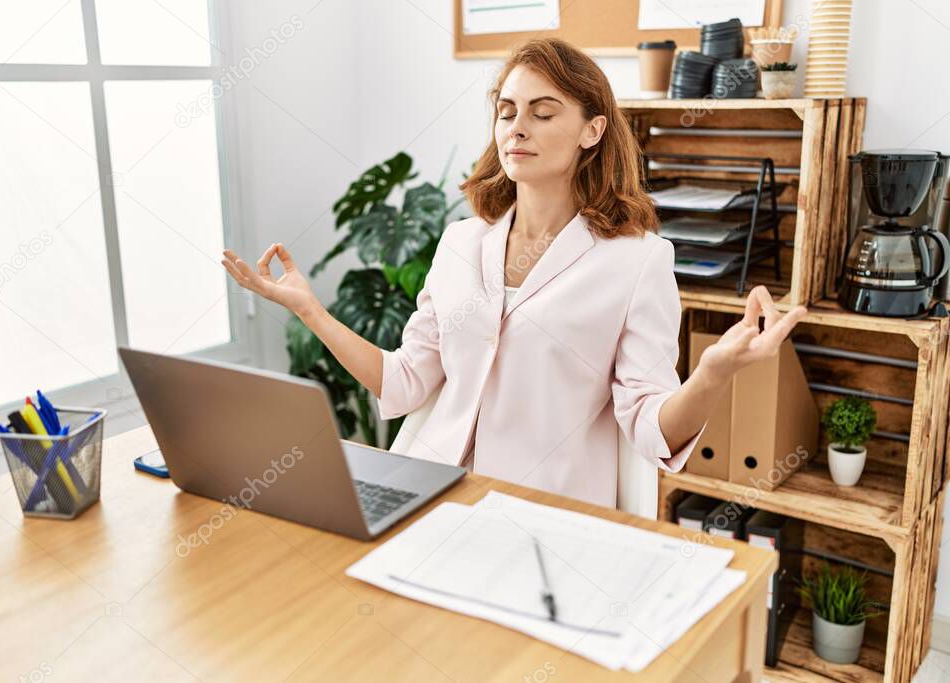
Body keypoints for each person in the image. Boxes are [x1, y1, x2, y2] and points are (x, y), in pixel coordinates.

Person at [221, 38, 806, 509]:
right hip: (427, 498)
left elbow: (651, 428)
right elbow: (403, 382)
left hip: (545, 515)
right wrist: (308, 309)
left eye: (542, 112)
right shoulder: (460, 242)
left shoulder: (637, 260)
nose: (516, 128)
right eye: (506, 112)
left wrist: (711, 374)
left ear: (591, 131)